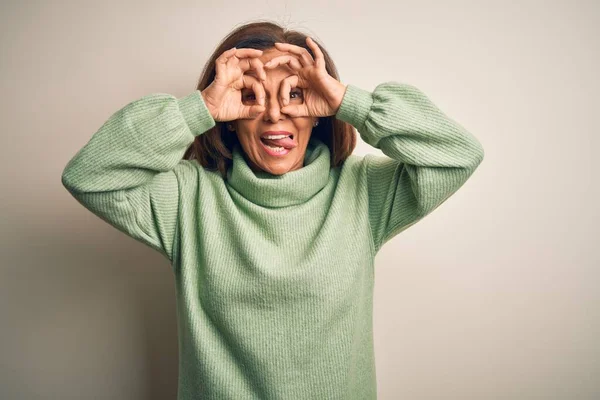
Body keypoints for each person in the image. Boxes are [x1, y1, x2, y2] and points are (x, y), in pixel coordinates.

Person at [61, 21, 484, 400]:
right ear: (230, 116)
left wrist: (351, 104)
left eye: (295, 93)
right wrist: (200, 109)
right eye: (250, 95)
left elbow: (457, 154)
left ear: (319, 109)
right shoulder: (187, 197)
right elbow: (90, 175)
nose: (274, 114)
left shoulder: (363, 192)